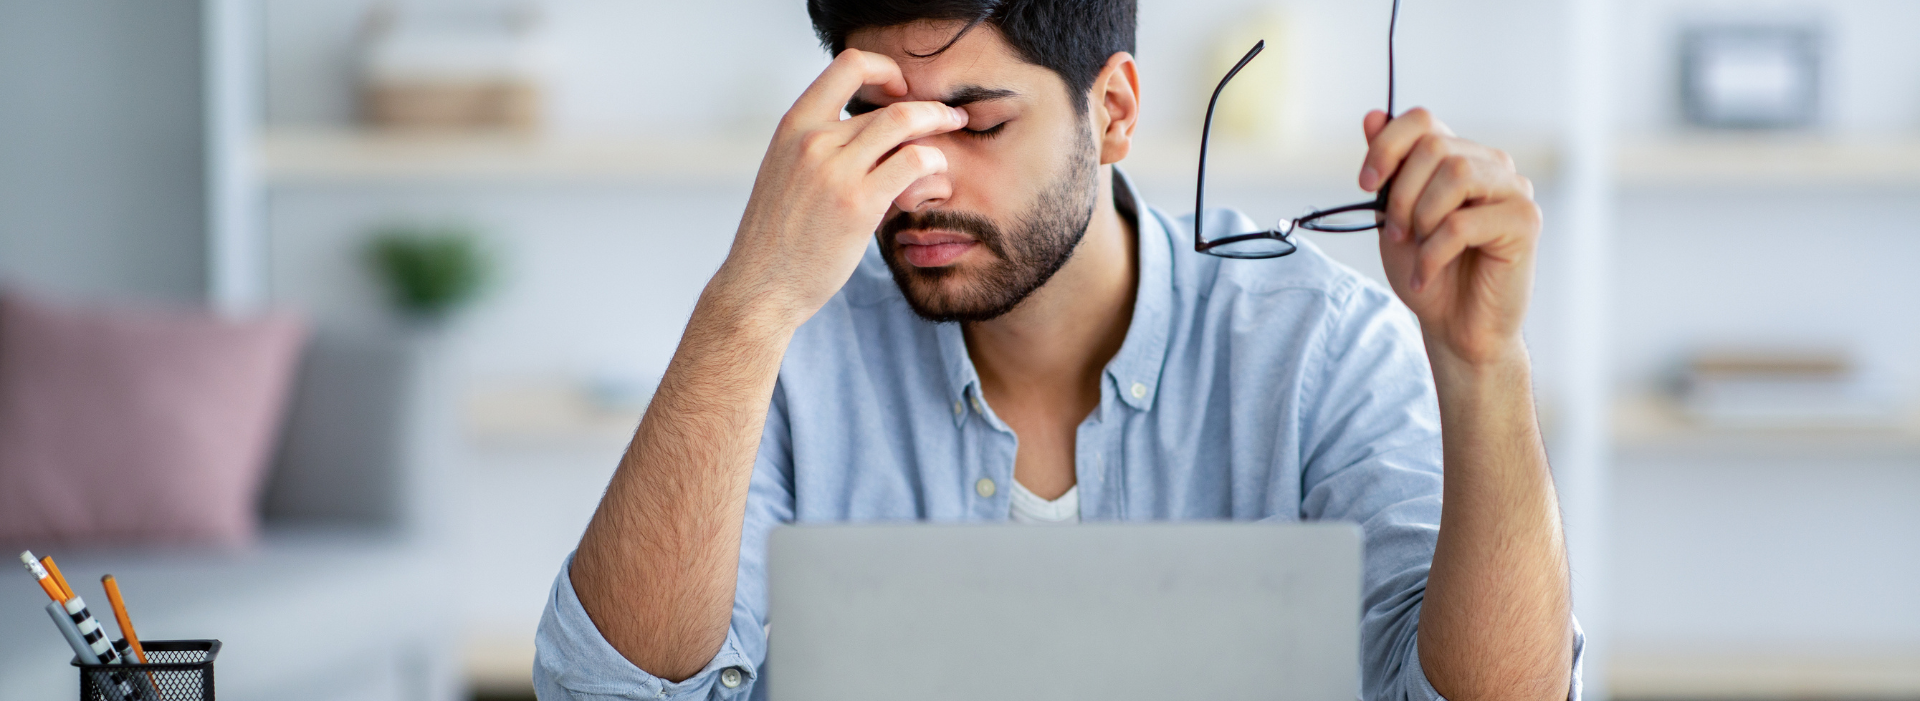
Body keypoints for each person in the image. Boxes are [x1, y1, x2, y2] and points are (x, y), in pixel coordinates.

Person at [536, 1, 1583, 699]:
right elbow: (603, 691)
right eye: (874, 122)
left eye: (977, 124)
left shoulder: (1319, 348)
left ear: (1114, 110)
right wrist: (747, 303)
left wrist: (1484, 366)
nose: (917, 182)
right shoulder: (789, 346)